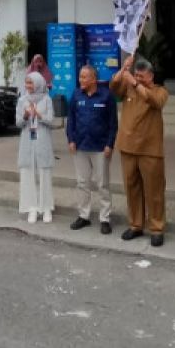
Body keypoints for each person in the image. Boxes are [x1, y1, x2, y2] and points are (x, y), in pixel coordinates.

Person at [109, 55, 169, 247]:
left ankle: (157, 228)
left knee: (154, 191)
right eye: (136, 75)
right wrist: (122, 70)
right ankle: (136, 225)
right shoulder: (127, 88)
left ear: (151, 76)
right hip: (127, 146)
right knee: (131, 188)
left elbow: (154, 101)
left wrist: (134, 82)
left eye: (142, 76)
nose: (138, 78)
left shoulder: (160, 91)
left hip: (150, 149)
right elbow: (113, 87)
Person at [67, 64, 117, 234]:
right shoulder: (76, 94)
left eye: (84, 77)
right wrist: (71, 139)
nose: (81, 80)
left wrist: (110, 144)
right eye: (80, 76)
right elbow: (71, 119)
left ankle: (105, 218)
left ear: (94, 79)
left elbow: (113, 123)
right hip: (80, 146)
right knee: (82, 183)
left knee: (102, 184)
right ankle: (84, 215)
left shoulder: (107, 96)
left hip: (100, 147)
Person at [15, 71, 56, 223]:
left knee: (44, 174)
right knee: (28, 174)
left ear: (38, 83)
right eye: (27, 83)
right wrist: (25, 116)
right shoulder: (22, 100)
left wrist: (38, 115)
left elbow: (51, 121)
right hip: (27, 140)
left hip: (42, 140)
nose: (28, 86)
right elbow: (18, 123)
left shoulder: (47, 100)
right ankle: (32, 207)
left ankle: (46, 207)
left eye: (31, 83)